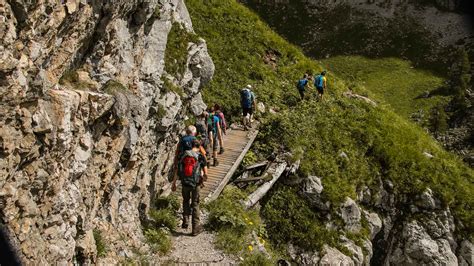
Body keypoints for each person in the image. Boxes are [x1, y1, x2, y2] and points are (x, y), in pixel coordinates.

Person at [171, 140, 208, 236]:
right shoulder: (200, 156)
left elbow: (177, 169)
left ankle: (186, 219)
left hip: (184, 182)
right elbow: (205, 171)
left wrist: (174, 183)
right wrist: (203, 180)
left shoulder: (183, 155)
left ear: (191, 145)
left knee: (186, 200)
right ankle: (195, 228)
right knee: (195, 203)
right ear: (199, 146)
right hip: (195, 183)